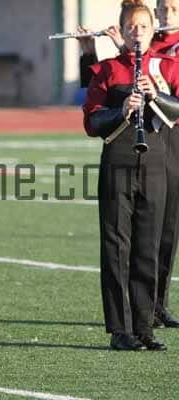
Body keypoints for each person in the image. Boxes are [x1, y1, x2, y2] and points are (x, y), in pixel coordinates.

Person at [83, 0, 179, 351]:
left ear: (153, 30)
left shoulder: (167, 66)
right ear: (122, 31)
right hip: (118, 160)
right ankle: (120, 330)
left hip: (156, 161)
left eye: (143, 26)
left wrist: (158, 98)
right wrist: (121, 110)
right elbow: (92, 121)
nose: (137, 31)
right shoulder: (107, 71)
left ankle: (144, 327)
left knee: (147, 247)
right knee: (116, 246)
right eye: (131, 26)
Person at [149, 0, 179, 328]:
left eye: (172, 8)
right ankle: (140, 305)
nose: (166, 14)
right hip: (147, 144)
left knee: (169, 227)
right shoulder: (143, 44)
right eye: (162, 8)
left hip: (176, 140)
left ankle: (159, 304)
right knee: (146, 227)